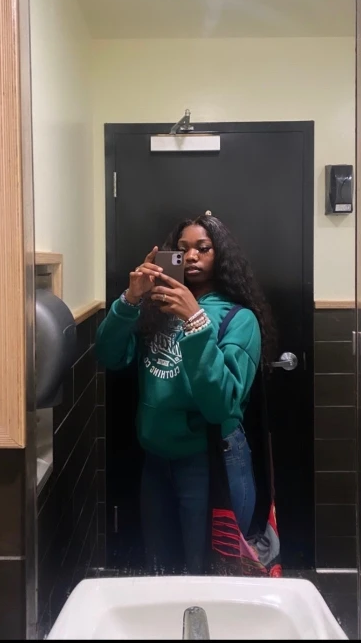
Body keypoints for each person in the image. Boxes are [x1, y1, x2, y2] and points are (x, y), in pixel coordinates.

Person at [95, 214, 274, 575]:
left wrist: (196, 322)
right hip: (156, 459)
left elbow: (221, 405)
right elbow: (109, 356)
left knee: (208, 572)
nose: (191, 256)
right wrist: (131, 299)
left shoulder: (238, 319)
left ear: (220, 255)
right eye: (182, 249)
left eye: (203, 248)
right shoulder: (155, 309)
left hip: (211, 460)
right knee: (160, 565)